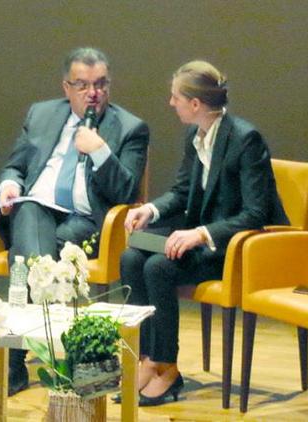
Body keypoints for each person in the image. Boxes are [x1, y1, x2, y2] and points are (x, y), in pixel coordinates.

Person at [120, 60, 288, 406]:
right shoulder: (195, 135)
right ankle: (147, 357)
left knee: (158, 267)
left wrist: (201, 233)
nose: (171, 103)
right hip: (203, 238)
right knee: (132, 256)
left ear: (195, 104)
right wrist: (150, 209)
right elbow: (182, 191)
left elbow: (255, 213)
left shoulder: (245, 140)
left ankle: (167, 366)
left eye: (175, 97)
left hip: (233, 247)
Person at [0, 47, 149, 396]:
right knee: (31, 214)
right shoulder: (41, 114)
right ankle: (66, 356)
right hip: (36, 207)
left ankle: (15, 360)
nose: (92, 93)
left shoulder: (130, 128)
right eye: (82, 85)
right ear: (66, 87)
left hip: (85, 220)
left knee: (26, 255)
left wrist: (99, 150)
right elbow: (15, 166)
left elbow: (127, 191)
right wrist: (9, 185)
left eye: (100, 84)